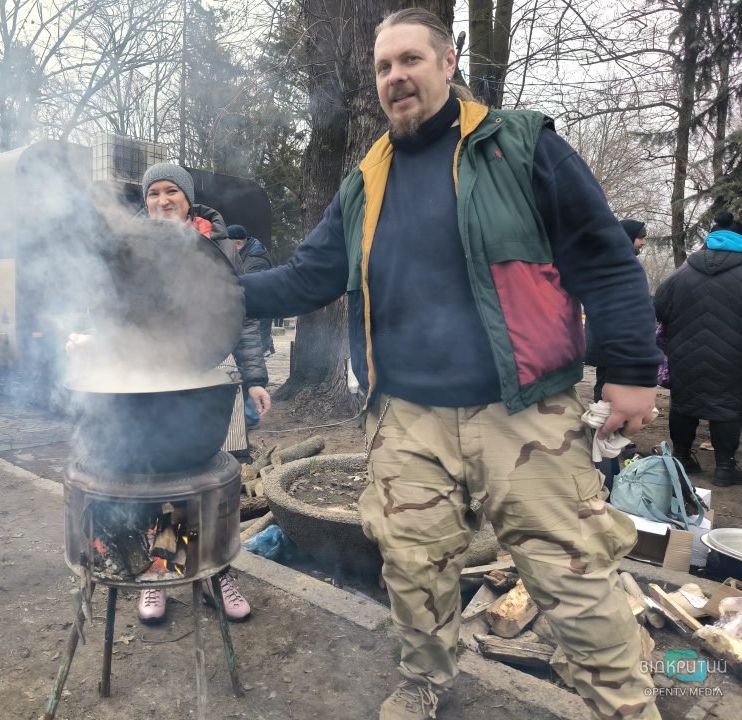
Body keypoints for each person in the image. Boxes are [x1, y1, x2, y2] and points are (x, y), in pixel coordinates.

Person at [240, 9, 662, 720]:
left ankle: (624, 706)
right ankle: (424, 678)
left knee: (575, 575)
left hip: (524, 412)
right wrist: (216, 292)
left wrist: (631, 369)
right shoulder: (365, 181)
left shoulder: (520, 144)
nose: (396, 77)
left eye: (410, 60)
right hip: (406, 416)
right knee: (412, 565)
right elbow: (306, 278)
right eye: (383, 67)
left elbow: (603, 255)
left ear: (447, 61)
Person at [136, 162, 270, 625]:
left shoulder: (219, 246)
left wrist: (255, 378)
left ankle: (215, 573)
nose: (162, 201)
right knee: (166, 475)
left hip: (210, 376)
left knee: (216, 476)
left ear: (188, 198)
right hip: (150, 378)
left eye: (171, 191)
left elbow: (242, 315)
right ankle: (163, 566)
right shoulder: (130, 244)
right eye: (153, 194)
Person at [655, 211, 742, 487]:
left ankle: (681, 459)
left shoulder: (682, 273)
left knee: (684, 404)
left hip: (685, 354)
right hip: (732, 357)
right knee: (726, 407)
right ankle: (725, 469)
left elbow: (659, 308)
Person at [584, 218, 649, 489]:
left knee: (608, 407)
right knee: (608, 412)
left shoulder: (609, 262)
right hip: (615, 352)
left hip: (610, 350)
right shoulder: (617, 267)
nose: (644, 242)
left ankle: (609, 466)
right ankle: (606, 476)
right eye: (641, 237)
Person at [227, 223, 275, 429]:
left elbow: (246, 293)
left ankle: (251, 417)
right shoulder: (249, 253)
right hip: (253, 320)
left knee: (248, 366)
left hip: (257, 321)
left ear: (237, 244)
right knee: (245, 366)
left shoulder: (254, 262)